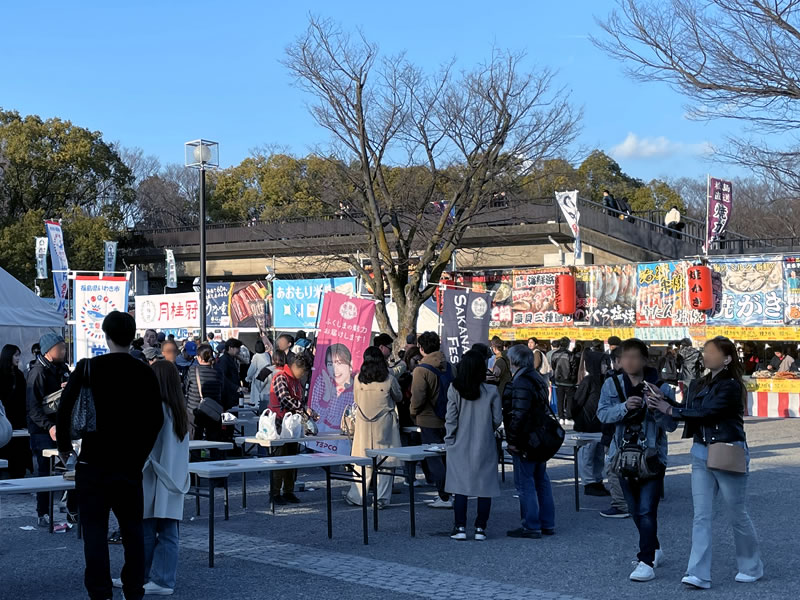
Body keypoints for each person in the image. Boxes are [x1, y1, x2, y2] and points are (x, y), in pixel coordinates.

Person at [57, 311, 163, 600]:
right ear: (133, 336)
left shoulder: (89, 367)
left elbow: (64, 409)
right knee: (132, 532)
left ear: (105, 334)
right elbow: (156, 420)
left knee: (94, 532)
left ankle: (100, 592)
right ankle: (133, 589)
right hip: (129, 466)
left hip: (92, 463)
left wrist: (65, 447)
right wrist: (139, 455)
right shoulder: (143, 371)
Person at [647, 336, 763, 589]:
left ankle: (751, 566)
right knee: (701, 515)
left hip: (726, 449)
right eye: (705, 351)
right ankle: (698, 573)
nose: (705, 355)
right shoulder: (699, 382)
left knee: (737, 513)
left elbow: (709, 412)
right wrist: (663, 402)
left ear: (727, 358)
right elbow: (689, 410)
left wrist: (670, 410)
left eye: (711, 351)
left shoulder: (731, 386)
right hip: (700, 450)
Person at [597, 338, 677, 583]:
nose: (629, 361)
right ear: (619, 361)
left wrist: (659, 407)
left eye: (635, 357)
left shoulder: (662, 387)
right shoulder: (612, 384)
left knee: (647, 509)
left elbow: (672, 424)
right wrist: (623, 407)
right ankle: (654, 549)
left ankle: (646, 561)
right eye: (625, 357)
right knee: (634, 509)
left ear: (645, 360)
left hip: (652, 456)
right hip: (622, 456)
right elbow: (601, 414)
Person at [125, 359, 190, 597]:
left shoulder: (154, 408)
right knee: (168, 531)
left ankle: (147, 577)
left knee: (146, 529)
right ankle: (161, 578)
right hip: (173, 478)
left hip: (152, 477)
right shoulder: (179, 410)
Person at [445, 350, 503, 541]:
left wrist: (449, 439)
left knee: (459, 486)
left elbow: (451, 419)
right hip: (484, 441)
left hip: (459, 442)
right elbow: (497, 419)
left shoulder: (454, 389)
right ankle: (480, 528)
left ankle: (459, 526)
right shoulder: (492, 391)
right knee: (484, 486)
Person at [503, 345, 555, 539]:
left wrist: (513, 440)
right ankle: (547, 522)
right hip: (540, 436)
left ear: (514, 361)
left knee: (525, 482)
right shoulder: (537, 379)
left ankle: (531, 524)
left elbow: (518, 414)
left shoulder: (521, 382)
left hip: (526, 438)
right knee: (541, 479)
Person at [26, 332, 74, 527]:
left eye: (64, 347)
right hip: (41, 430)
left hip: (61, 427)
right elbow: (32, 408)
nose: (63, 350)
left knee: (72, 468)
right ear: (48, 351)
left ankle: (72, 511)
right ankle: (42, 512)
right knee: (44, 474)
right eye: (60, 348)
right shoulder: (37, 373)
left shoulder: (62, 368)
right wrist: (49, 426)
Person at [345, 347, 402, 508]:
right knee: (386, 462)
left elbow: (356, 399)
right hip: (385, 424)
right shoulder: (389, 379)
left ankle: (357, 496)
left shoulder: (358, 379)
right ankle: (381, 499)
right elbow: (398, 396)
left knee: (363, 462)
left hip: (364, 424)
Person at [410, 331, 453, 509]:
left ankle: (444, 496)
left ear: (421, 348)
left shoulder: (421, 370)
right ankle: (451, 492)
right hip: (449, 418)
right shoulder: (449, 366)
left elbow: (418, 397)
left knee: (434, 459)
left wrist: (413, 413)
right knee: (447, 458)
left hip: (428, 419)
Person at [268, 352, 312, 505]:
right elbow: (284, 399)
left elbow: (299, 400)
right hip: (279, 424)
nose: (303, 375)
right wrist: (303, 408)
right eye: (303, 372)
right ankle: (274, 493)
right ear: (296, 367)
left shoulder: (295, 381)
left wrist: (305, 410)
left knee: (293, 460)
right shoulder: (281, 377)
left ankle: (289, 491)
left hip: (293, 426)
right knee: (280, 460)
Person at [572, 341, 609, 498]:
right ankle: (588, 482)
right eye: (602, 364)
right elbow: (577, 402)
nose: (605, 366)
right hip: (587, 425)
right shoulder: (588, 381)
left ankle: (598, 479)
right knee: (587, 454)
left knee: (599, 455)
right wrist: (578, 419)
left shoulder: (605, 380)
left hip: (600, 425)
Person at [599, 347, 631, 519]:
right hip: (635, 435)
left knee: (613, 467)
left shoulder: (612, 381)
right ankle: (633, 502)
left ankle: (620, 504)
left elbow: (603, 413)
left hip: (615, 431)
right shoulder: (648, 379)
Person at [0, 345, 33, 478]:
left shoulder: (19, 374)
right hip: (5, 417)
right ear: (8, 356)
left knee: (18, 447)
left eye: (18, 355)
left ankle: (17, 472)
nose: (18, 358)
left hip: (17, 418)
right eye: (15, 355)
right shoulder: (5, 374)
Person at [184, 343, 223, 440]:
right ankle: (215, 454)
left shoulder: (193, 370)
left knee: (195, 439)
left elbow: (186, 387)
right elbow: (222, 388)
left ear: (199, 357)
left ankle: (196, 455)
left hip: (195, 408)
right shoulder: (218, 371)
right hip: (213, 409)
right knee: (214, 440)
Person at [312, 343, 354, 430]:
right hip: (321, 432)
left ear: (350, 364)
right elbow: (315, 419)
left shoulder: (357, 387)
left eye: (339, 363)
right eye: (330, 364)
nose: (335, 369)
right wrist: (327, 395)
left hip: (345, 436)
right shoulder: (322, 381)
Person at [551, 336, 578, 425]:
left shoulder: (554, 354)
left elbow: (553, 366)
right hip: (569, 380)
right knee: (570, 399)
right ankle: (568, 417)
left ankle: (561, 417)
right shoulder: (570, 355)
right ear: (568, 344)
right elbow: (574, 367)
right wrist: (573, 377)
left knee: (560, 399)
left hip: (558, 379)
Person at [216, 338, 243, 411]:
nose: (239, 350)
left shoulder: (232, 359)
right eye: (237, 348)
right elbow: (223, 377)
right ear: (230, 348)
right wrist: (235, 387)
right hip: (227, 396)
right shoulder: (224, 360)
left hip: (232, 395)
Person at [246, 339, 272, 409]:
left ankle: (258, 406)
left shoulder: (256, 356)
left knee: (257, 393)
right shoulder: (267, 355)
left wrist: (248, 377)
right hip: (268, 376)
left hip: (259, 377)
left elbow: (252, 369)